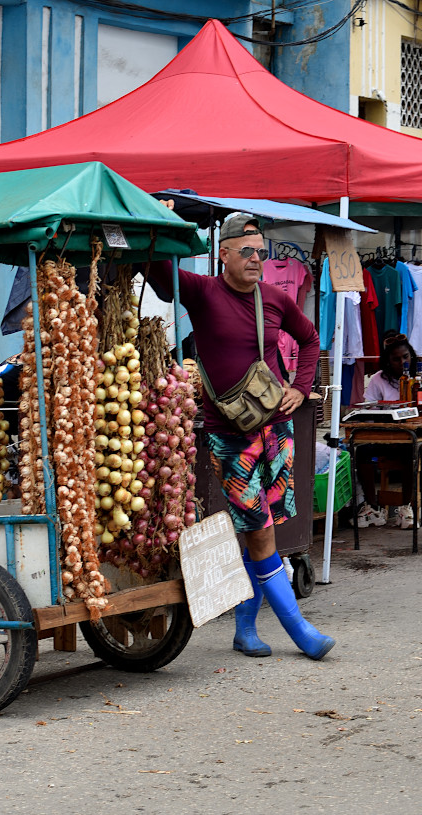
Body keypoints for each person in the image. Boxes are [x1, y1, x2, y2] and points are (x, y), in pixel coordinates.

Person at [150, 212, 333, 660]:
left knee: (261, 529)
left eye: (262, 253)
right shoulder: (202, 291)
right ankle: (300, 631)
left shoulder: (273, 298)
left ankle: (245, 630)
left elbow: (309, 341)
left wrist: (300, 388)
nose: (256, 260)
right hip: (230, 436)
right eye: (247, 251)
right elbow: (157, 272)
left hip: (275, 428)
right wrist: (165, 221)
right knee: (260, 529)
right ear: (223, 254)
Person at [356, 332, 421, 529]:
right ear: (387, 361)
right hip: (387, 436)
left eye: (405, 357)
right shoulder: (378, 380)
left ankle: (406, 507)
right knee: (362, 450)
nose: (402, 362)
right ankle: (373, 507)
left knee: (410, 450)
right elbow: (367, 409)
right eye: (396, 359)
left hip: (415, 435)